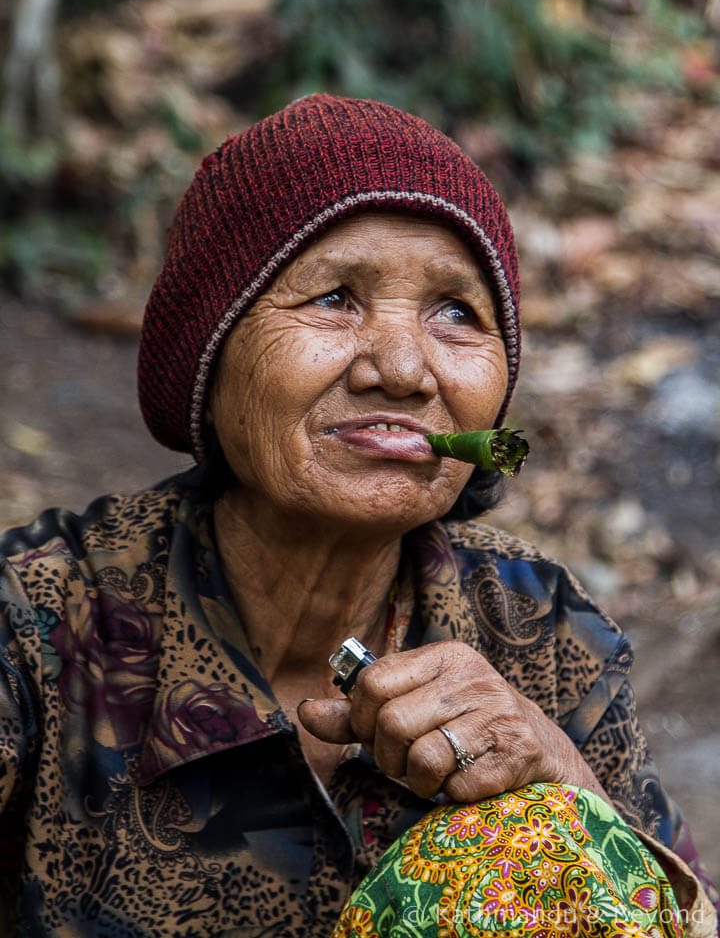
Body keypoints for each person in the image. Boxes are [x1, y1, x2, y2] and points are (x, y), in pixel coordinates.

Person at [0, 94, 716, 937]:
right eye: (335, 297)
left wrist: (568, 797)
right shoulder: (40, 622)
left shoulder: (541, 631)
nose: (407, 368)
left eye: (456, 312)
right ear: (211, 352)